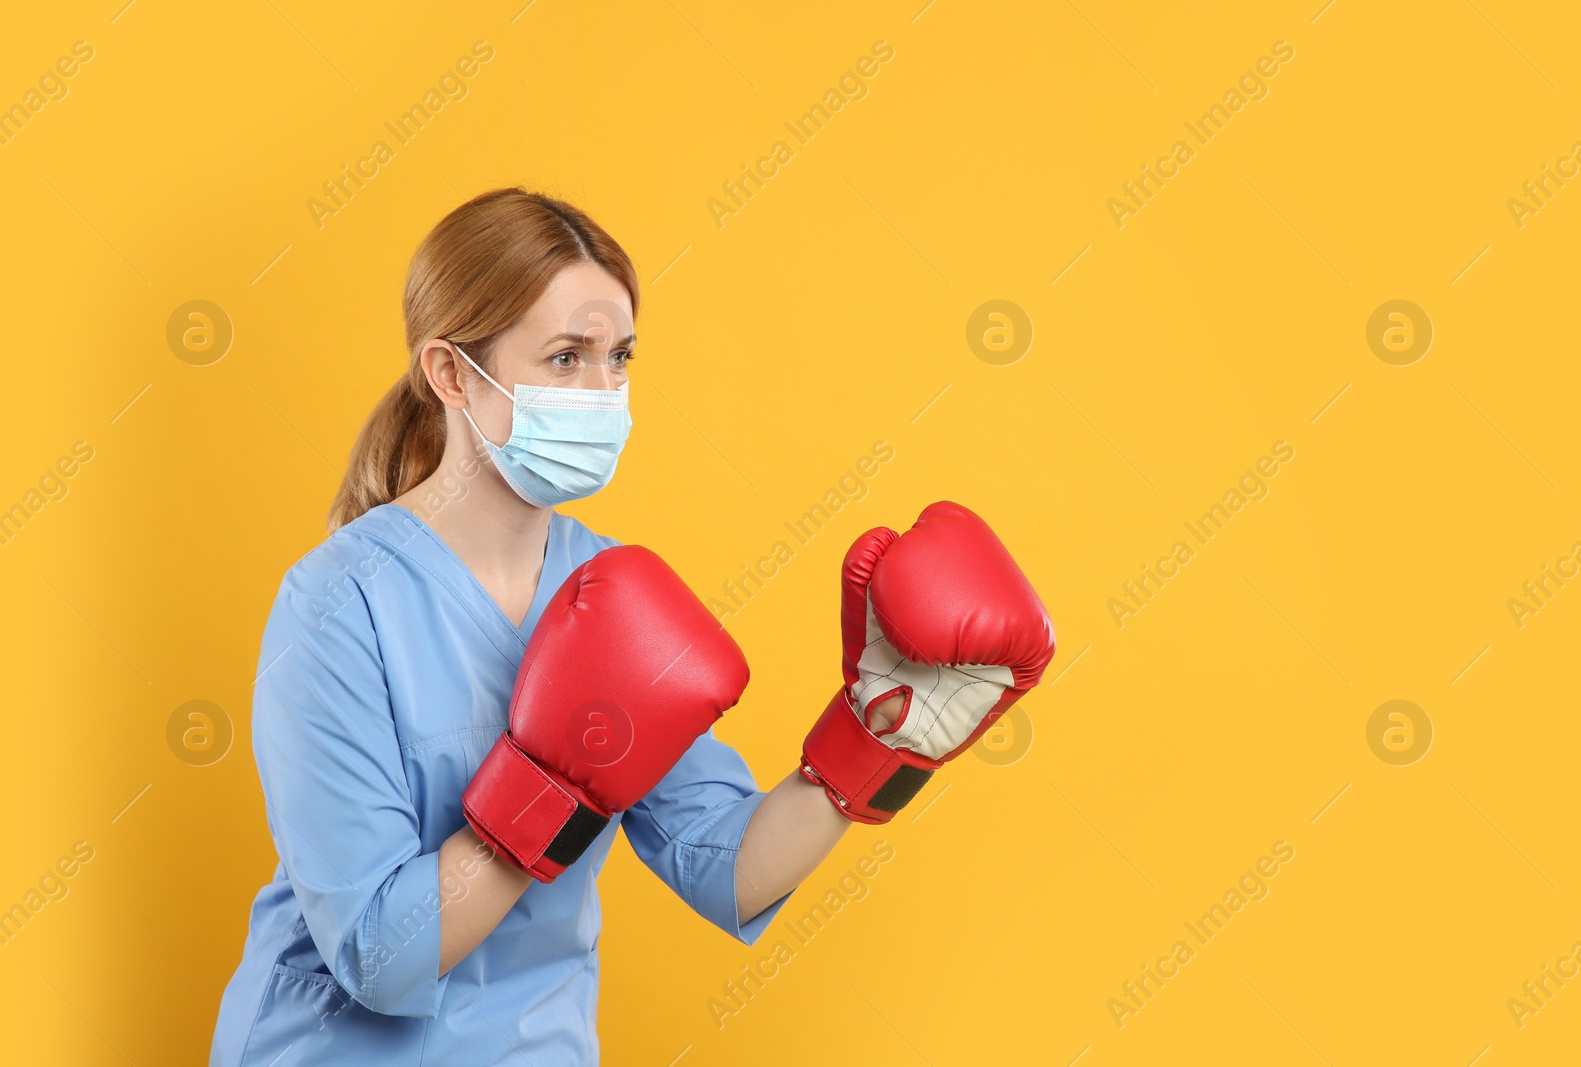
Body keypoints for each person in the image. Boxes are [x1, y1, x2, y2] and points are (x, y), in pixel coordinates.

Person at [210, 188, 1054, 1065]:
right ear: (452, 373)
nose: (602, 391)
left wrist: (881, 731)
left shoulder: (611, 592)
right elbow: (379, 958)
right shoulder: (340, 601)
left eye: (618, 357)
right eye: (565, 358)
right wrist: (552, 782)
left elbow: (726, 865)